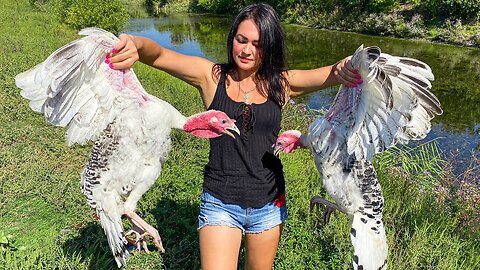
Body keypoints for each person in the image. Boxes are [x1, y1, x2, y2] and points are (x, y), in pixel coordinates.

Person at [108, 3, 361, 270]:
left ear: (270, 47)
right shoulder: (211, 77)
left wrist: (346, 65)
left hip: (268, 204)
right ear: (233, 39)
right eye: (241, 40)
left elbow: (332, 73)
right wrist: (135, 43)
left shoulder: (281, 84)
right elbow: (158, 55)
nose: (247, 50)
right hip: (220, 201)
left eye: (257, 43)